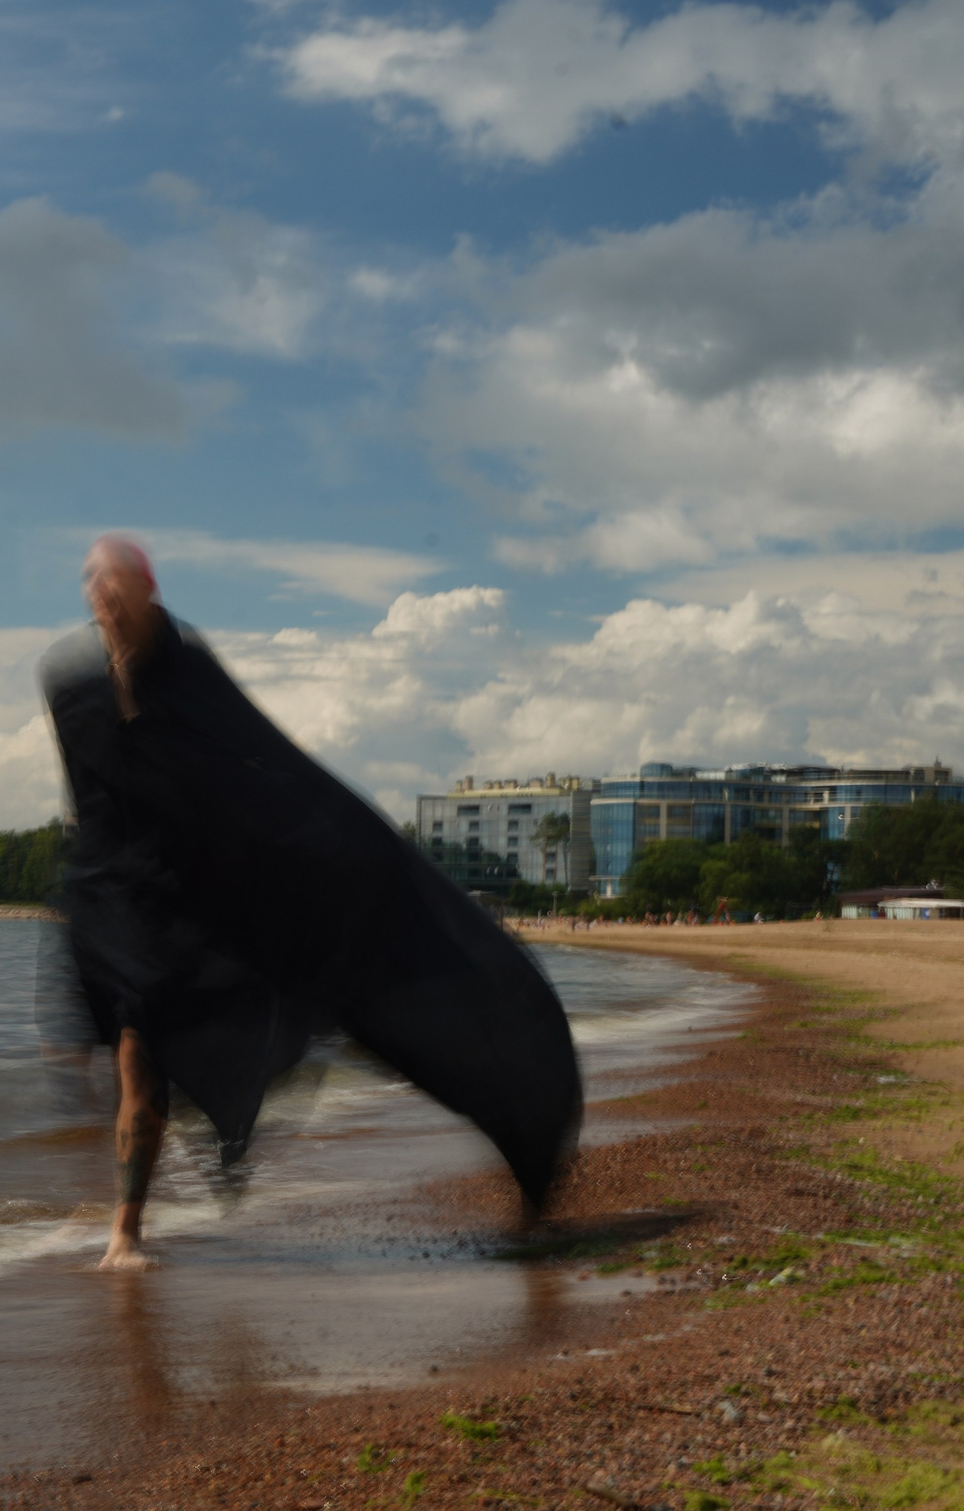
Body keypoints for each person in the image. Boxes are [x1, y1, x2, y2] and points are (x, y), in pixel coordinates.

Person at [41, 536, 581, 1271]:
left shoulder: (189, 670)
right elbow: (87, 818)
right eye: (91, 582)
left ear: (147, 589)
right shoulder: (71, 691)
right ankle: (124, 1235)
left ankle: (525, 1134)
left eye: (115, 581)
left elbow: (266, 759)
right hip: (127, 907)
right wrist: (73, 955)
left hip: (214, 903)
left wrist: (339, 853)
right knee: (138, 1059)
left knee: (374, 1016)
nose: (100, 594)